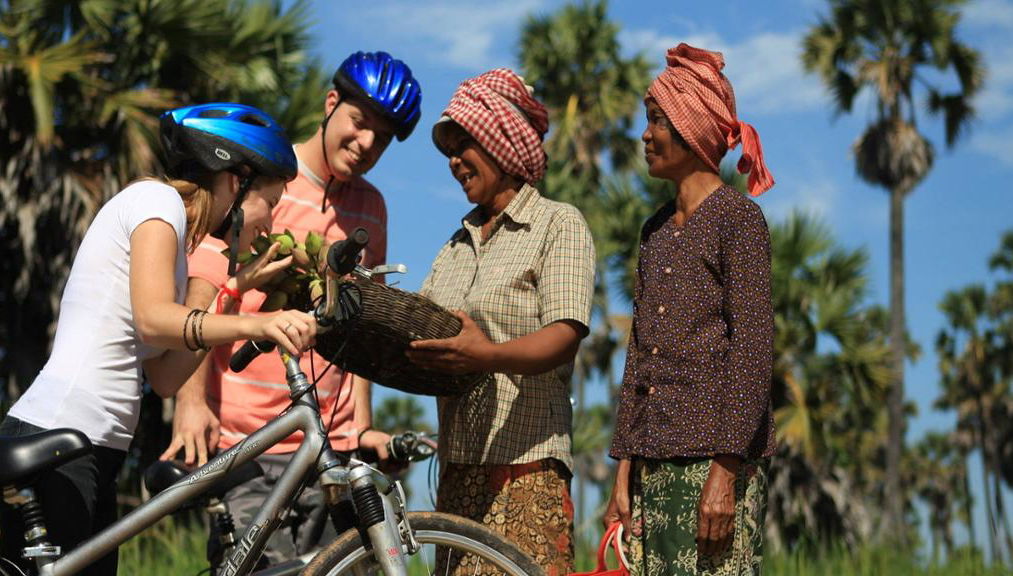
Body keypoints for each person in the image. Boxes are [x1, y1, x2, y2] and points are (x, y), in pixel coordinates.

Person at [0, 102, 314, 576]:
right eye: (270, 202)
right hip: (59, 438)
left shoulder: (178, 245)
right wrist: (258, 323)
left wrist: (232, 294)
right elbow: (154, 320)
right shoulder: (155, 202)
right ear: (237, 179)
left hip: (93, 450)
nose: (269, 223)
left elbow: (165, 376)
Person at [160, 51, 422, 566]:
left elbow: (361, 318)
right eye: (360, 122)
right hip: (251, 439)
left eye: (384, 138)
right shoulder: (266, 174)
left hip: (332, 446)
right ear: (330, 104)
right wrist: (191, 402)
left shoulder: (373, 207)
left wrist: (362, 426)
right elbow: (202, 286)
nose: (367, 143)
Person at [405, 68, 595, 576]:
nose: (453, 162)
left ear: (502, 142)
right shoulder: (456, 244)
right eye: (449, 149)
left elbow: (565, 334)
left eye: (464, 144)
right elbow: (418, 325)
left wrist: (485, 356)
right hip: (458, 475)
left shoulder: (558, 224)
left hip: (526, 473)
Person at [602, 43, 777, 576]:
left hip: (713, 471)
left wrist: (724, 475)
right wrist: (623, 475)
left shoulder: (738, 220)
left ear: (691, 127)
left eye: (657, 121)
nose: (645, 135)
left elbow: (752, 352)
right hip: (652, 468)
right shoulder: (654, 232)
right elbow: (639, 357)